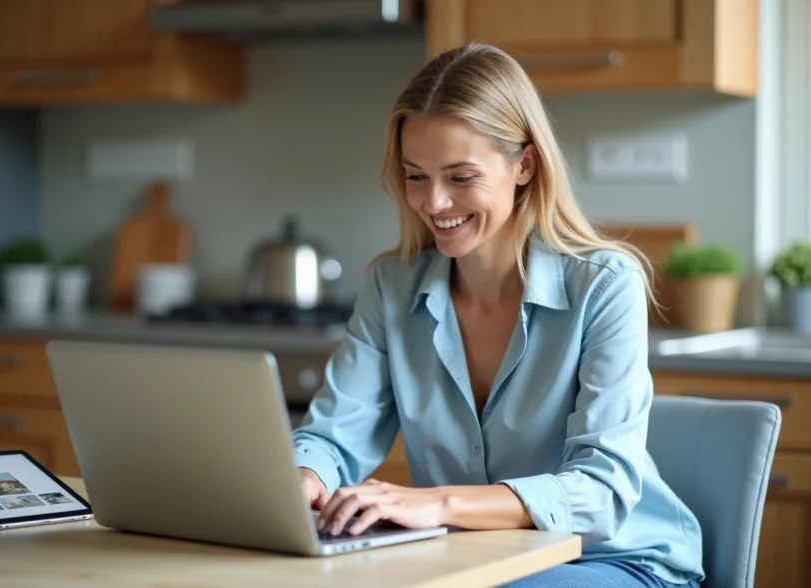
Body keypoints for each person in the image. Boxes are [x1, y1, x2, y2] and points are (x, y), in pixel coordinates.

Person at [290, 42, 705, 588]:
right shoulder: (391, 286)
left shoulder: (605, 287)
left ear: (524, 165)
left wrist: (439, 503)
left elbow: (602, 492)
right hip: (473, 565)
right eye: (417, 176)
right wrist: (303, 478)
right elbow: (335, 433)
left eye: (460, 177)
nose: (434, 203)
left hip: (616, 561)